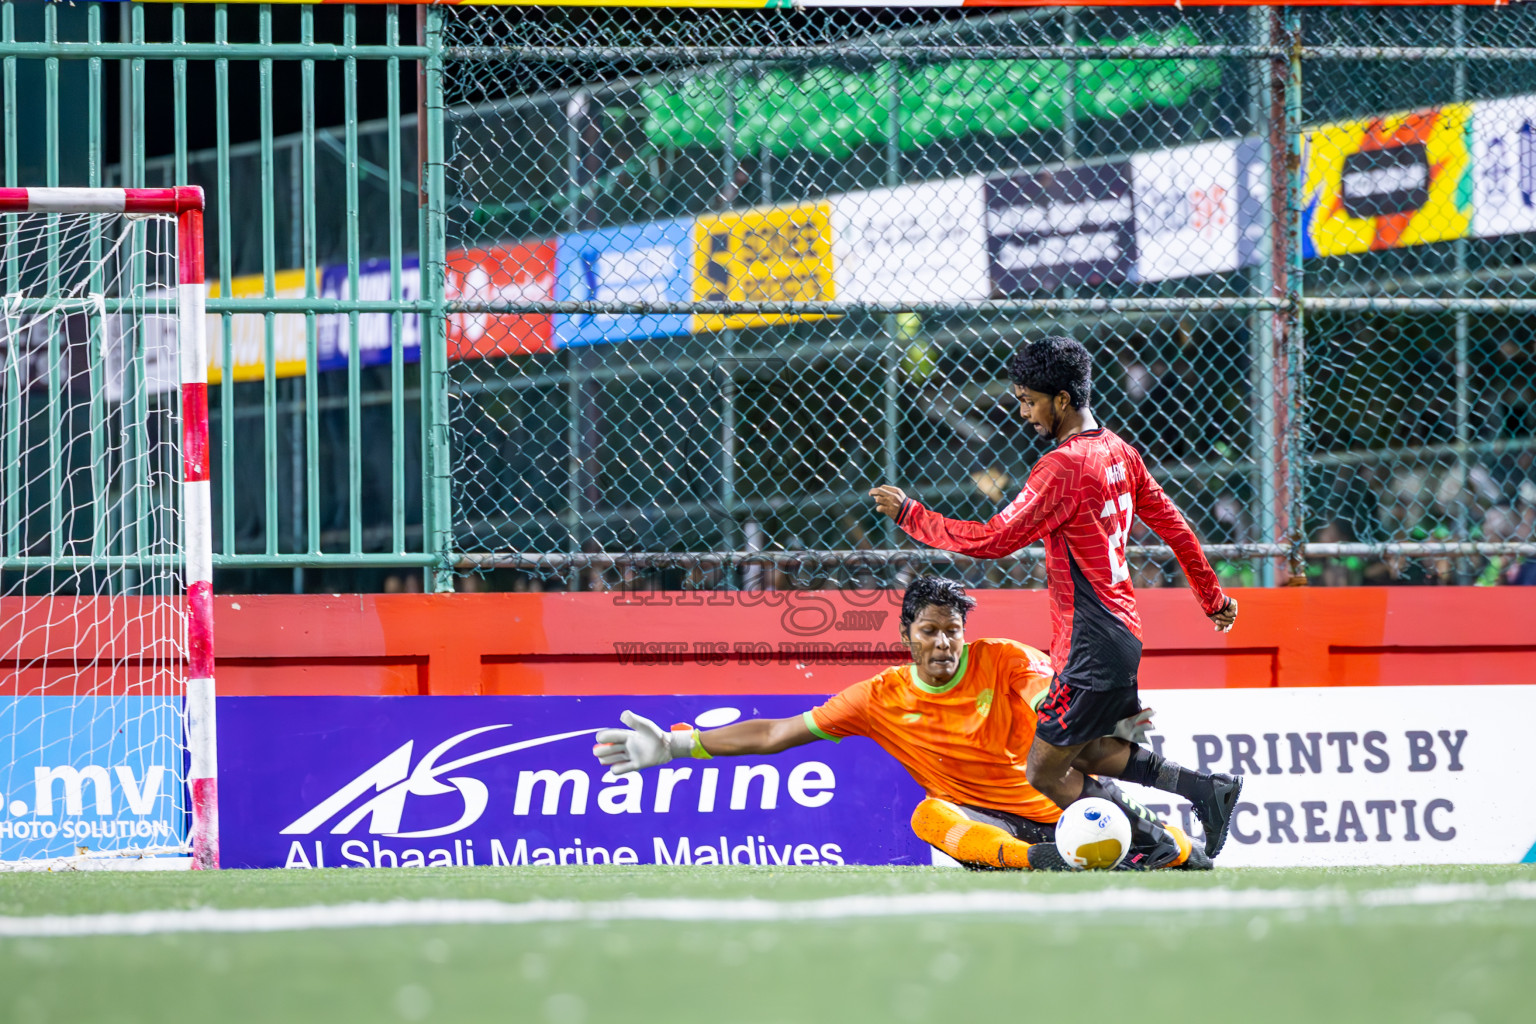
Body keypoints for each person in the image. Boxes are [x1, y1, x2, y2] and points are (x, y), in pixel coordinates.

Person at [868, 336, 1242, 869]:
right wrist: (1212, 597)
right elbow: (1176, 527)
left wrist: (912, 515)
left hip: (1091, 642)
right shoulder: (1119, 450)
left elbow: (991, 540)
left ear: (1062, 399)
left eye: (1029, 400)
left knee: (1044, 770)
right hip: (1120, 633)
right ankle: (1206, 790)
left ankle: (1152, 845)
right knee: (1087, 752)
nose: (1024, 413)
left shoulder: (1062, 468)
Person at [593, 577, 1235, 872]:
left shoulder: (1004, 659)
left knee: (1187, 862)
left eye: (953, 631)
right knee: (929, 816)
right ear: (907, 636)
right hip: (994, 825)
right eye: (929, 632)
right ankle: (1045, 862)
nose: (943, 644)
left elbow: (1051, 696)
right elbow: (776, 733)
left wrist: (1105, 718)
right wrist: (676, 744)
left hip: (1065, 801)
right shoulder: (876, 698)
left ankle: (1160, 833)